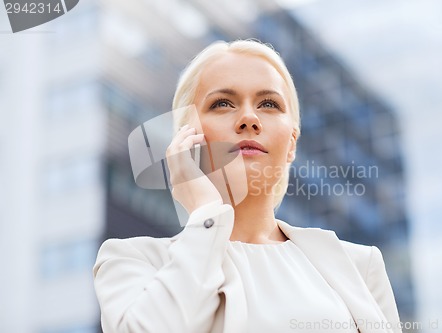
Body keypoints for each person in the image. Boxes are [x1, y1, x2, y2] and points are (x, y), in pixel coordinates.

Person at [93, 39, 402, 333]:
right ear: (187, 137)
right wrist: (205, 214)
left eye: (268, 103)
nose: (249, 119)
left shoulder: (360, 266)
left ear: (292, 143)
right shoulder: (133, 260)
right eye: (223, 103)